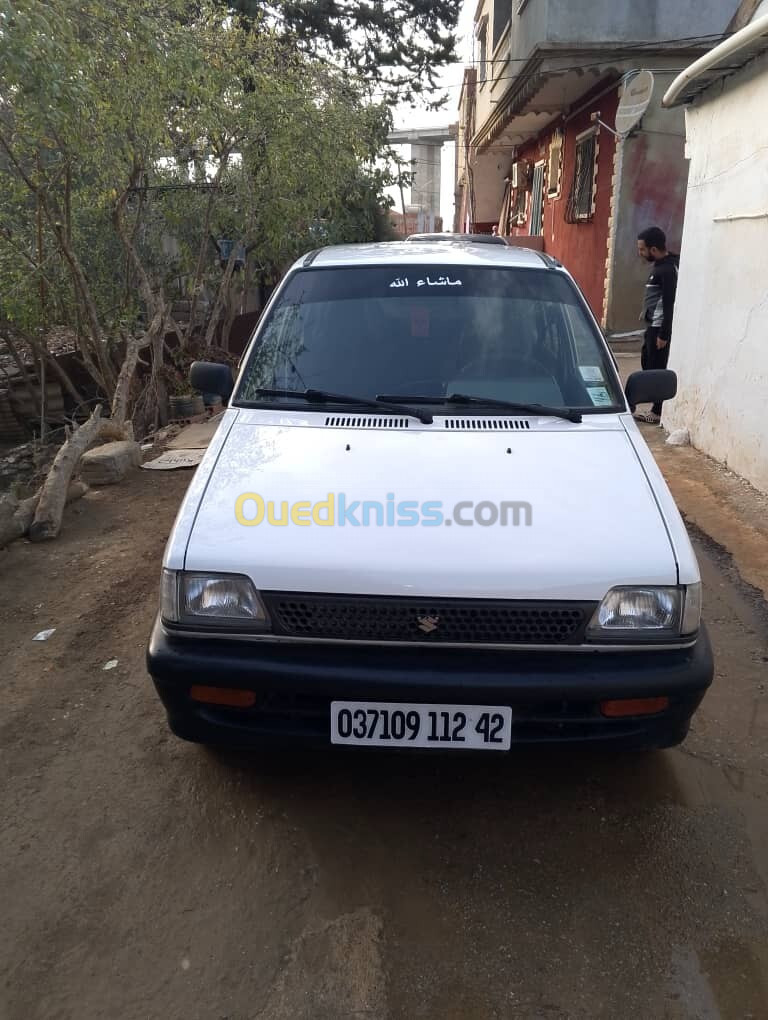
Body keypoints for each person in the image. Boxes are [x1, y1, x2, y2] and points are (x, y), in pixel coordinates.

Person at [634, 226, 679, 424]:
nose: (640, 253)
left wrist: (664, 334)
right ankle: (654, 406)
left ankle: (657, 411)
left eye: (642, 249)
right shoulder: (661, 266)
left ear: (653, 249)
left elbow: (669, 302)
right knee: (647, 363)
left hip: (658, 328)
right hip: (651, 325)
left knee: (657, 368)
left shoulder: (668, 269)